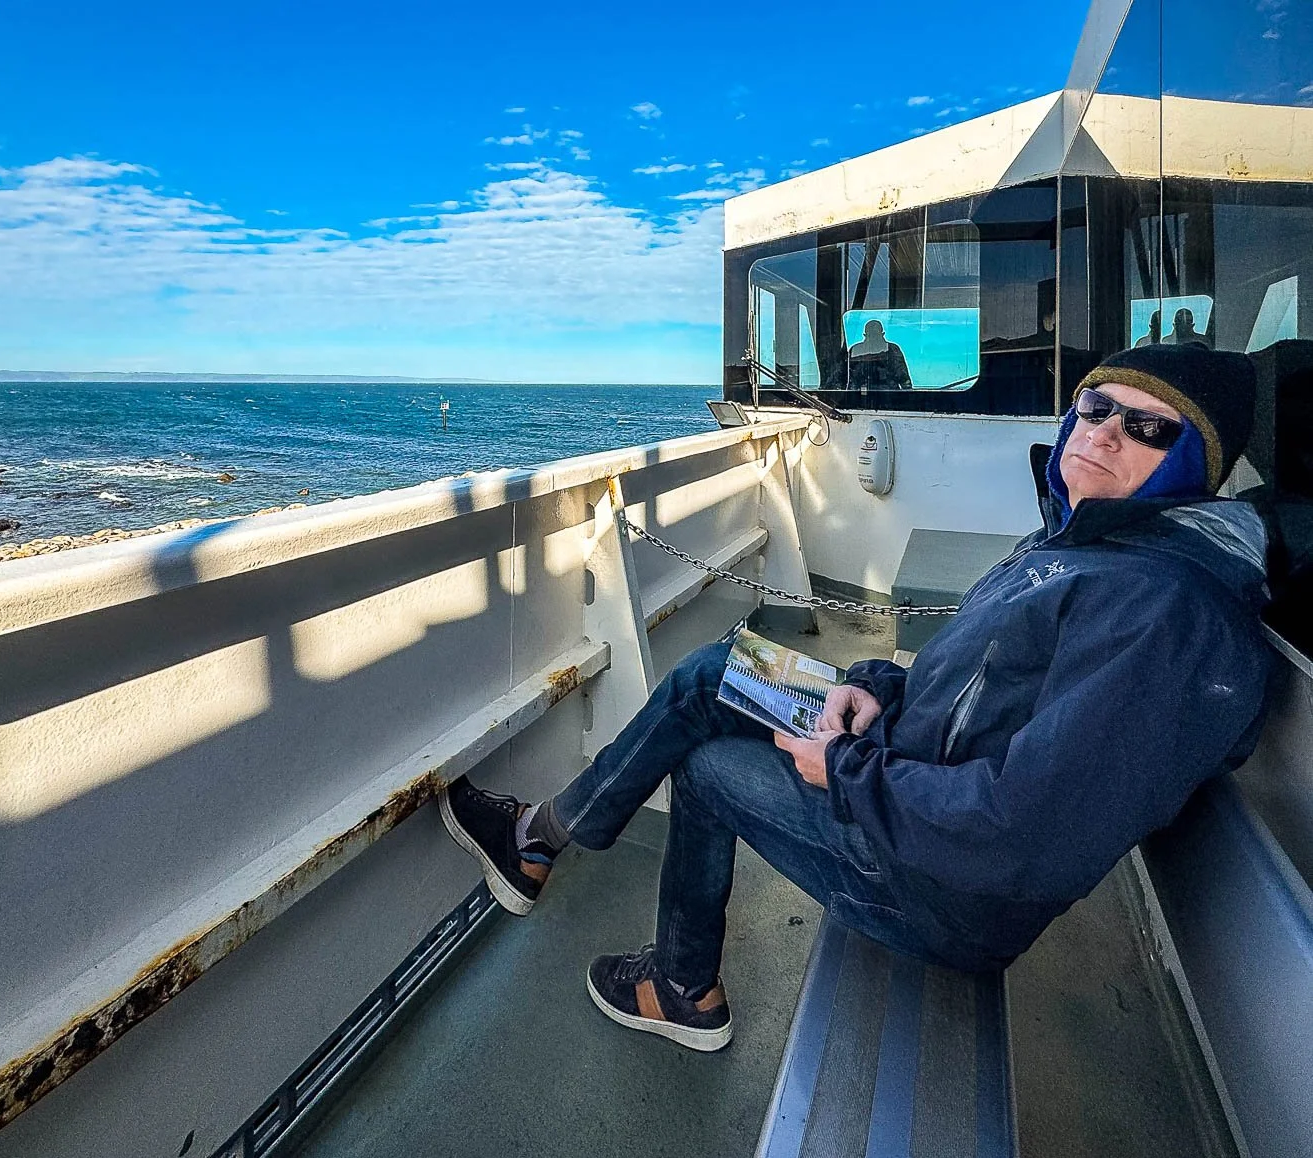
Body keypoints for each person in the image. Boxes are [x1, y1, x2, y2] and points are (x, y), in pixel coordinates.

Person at [440, 344, 1271, 1052]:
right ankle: (538, 839)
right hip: (899, 761)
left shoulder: (1167, 615)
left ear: (1194, 465)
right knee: (716, 669)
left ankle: (680, 985)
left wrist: (842, 770)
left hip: (936, 880)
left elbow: (1022, 836)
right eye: (1095, 407)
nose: (1104, 432)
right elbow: (975, 687)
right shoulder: (1089, 543)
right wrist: (874, 689)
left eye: (1148, 427)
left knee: (704, 767)